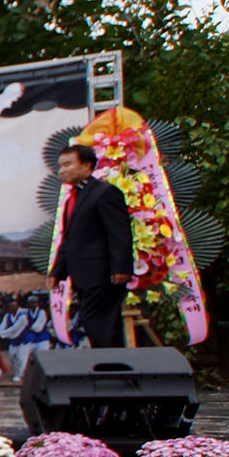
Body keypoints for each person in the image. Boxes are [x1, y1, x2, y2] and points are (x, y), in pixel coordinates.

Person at [49, 143, 134, 348]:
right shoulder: (72, 198)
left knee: (98, 323)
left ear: (86, 166)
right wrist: (57, 271)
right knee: (95, 324)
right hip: (83, 275)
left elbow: (119, 233)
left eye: (68, 164)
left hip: (103, 274)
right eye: (60, 166)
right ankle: (110, 365)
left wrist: (121, 268)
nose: (62, 170)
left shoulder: (105, 192)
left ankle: (112, 366)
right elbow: (69, 239)